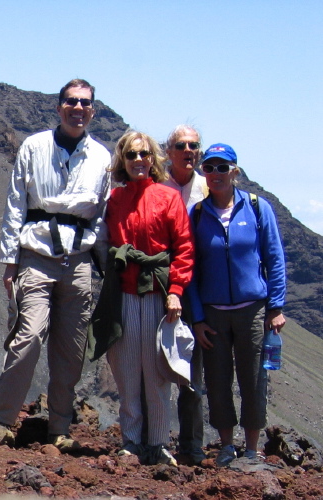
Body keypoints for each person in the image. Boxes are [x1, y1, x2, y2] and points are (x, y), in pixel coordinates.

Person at [0, 78, 111, 451]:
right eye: (71, 102)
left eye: (85, 103)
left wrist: (106, 269)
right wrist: (10, 260)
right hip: (36, 255)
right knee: (28, 337)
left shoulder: (102, 157)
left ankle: (59, 429)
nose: (78, 109)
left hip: (77, 262)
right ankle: (2, 421)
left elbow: (103, 217)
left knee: (71, 349)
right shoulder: (34, 146)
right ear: (59, 106)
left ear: (93, 110)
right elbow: (16, 205)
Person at [188, 143, 286, 467]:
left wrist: (276, 307)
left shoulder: (258, 208)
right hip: (214, 313)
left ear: (235, 171)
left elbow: (274, 258)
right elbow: (190, 269)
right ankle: (227, 445)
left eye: (222, 167)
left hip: (253, 311)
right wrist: (198, 318)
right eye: (209, 168)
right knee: (217, 381)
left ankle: (252, 448)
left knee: (254, 380)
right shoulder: (198, 214)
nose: (215, 174)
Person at [101, 130, 194, 465]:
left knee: (155, 371)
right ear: (123, 161)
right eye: (131, 155)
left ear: (153, 158)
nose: (138, 160)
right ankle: (131, 439)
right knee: (127, 369)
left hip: (157, 293)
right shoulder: (116, 200)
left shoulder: (168, 198)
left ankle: (157, 442)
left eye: (144, 154)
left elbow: (183, 249)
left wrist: (176, 292)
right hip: (124, 293)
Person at [162, 125, 208, 464]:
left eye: (194, 145)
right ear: (169, 150)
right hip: (162, 288)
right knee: (156, 365)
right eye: (181, 145)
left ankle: (192, 445)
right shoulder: (156, 187)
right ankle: (154, 438)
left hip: (200, 292)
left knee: (194, 373)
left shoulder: (210, 187)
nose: (188, 150)